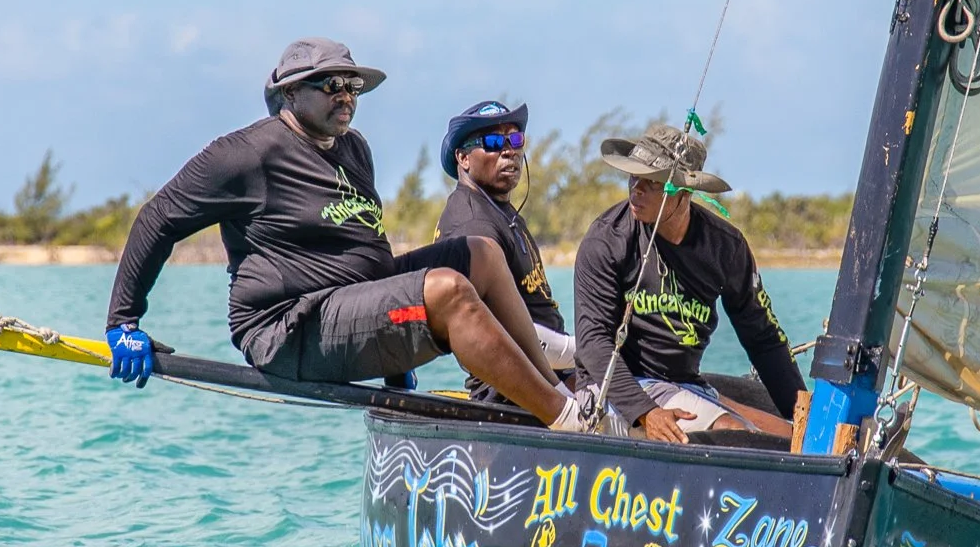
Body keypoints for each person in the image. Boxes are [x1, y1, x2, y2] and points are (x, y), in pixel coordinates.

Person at [104, 36, 592, 432]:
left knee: (480, 253)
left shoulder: (354, 149)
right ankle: (567, 422)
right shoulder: (246, 154)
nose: (345, 95)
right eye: (330, 84)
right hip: (291, 327)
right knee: (449, 293)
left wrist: (396, 358)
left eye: (352, 86)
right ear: (290, 94)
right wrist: (123, 322)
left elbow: (368, 254)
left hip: (355, 307)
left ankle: (554, 391)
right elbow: (157, 218)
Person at [574, 123, 805, 444]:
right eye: (633, 176)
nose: (636, 189)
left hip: (687, 387)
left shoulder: (725, 246)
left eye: (652, 182)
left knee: (797, 440)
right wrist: (646, 412)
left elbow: (763, 340)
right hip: (610, 391)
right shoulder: (607, 239)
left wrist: (804, 415)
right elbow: (592, 344)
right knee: (733, 433)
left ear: (684, 192)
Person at [436, 101, 575, 400]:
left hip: (553, 373)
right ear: (463, 158)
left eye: (515, 140)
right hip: (517, 393)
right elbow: (491, 334)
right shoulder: (472, 226)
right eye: (494, 142)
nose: (509, 150)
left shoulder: (498, 210)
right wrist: (583, 354)